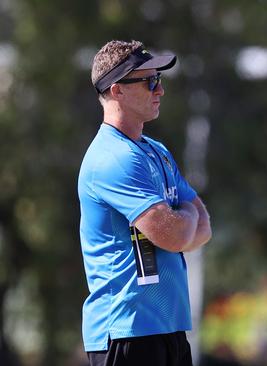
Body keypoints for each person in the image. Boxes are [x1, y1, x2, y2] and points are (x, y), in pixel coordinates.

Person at [78, 40, 212, 365]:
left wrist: (183, 221)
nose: (160, 90)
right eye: (149, 81)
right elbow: (175, 236)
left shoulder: (156, 151)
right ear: (117, 90)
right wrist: (184, 221)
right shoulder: (113, 158)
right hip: (127, 331)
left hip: (168, 328)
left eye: (160, 80)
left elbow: (204, 225)